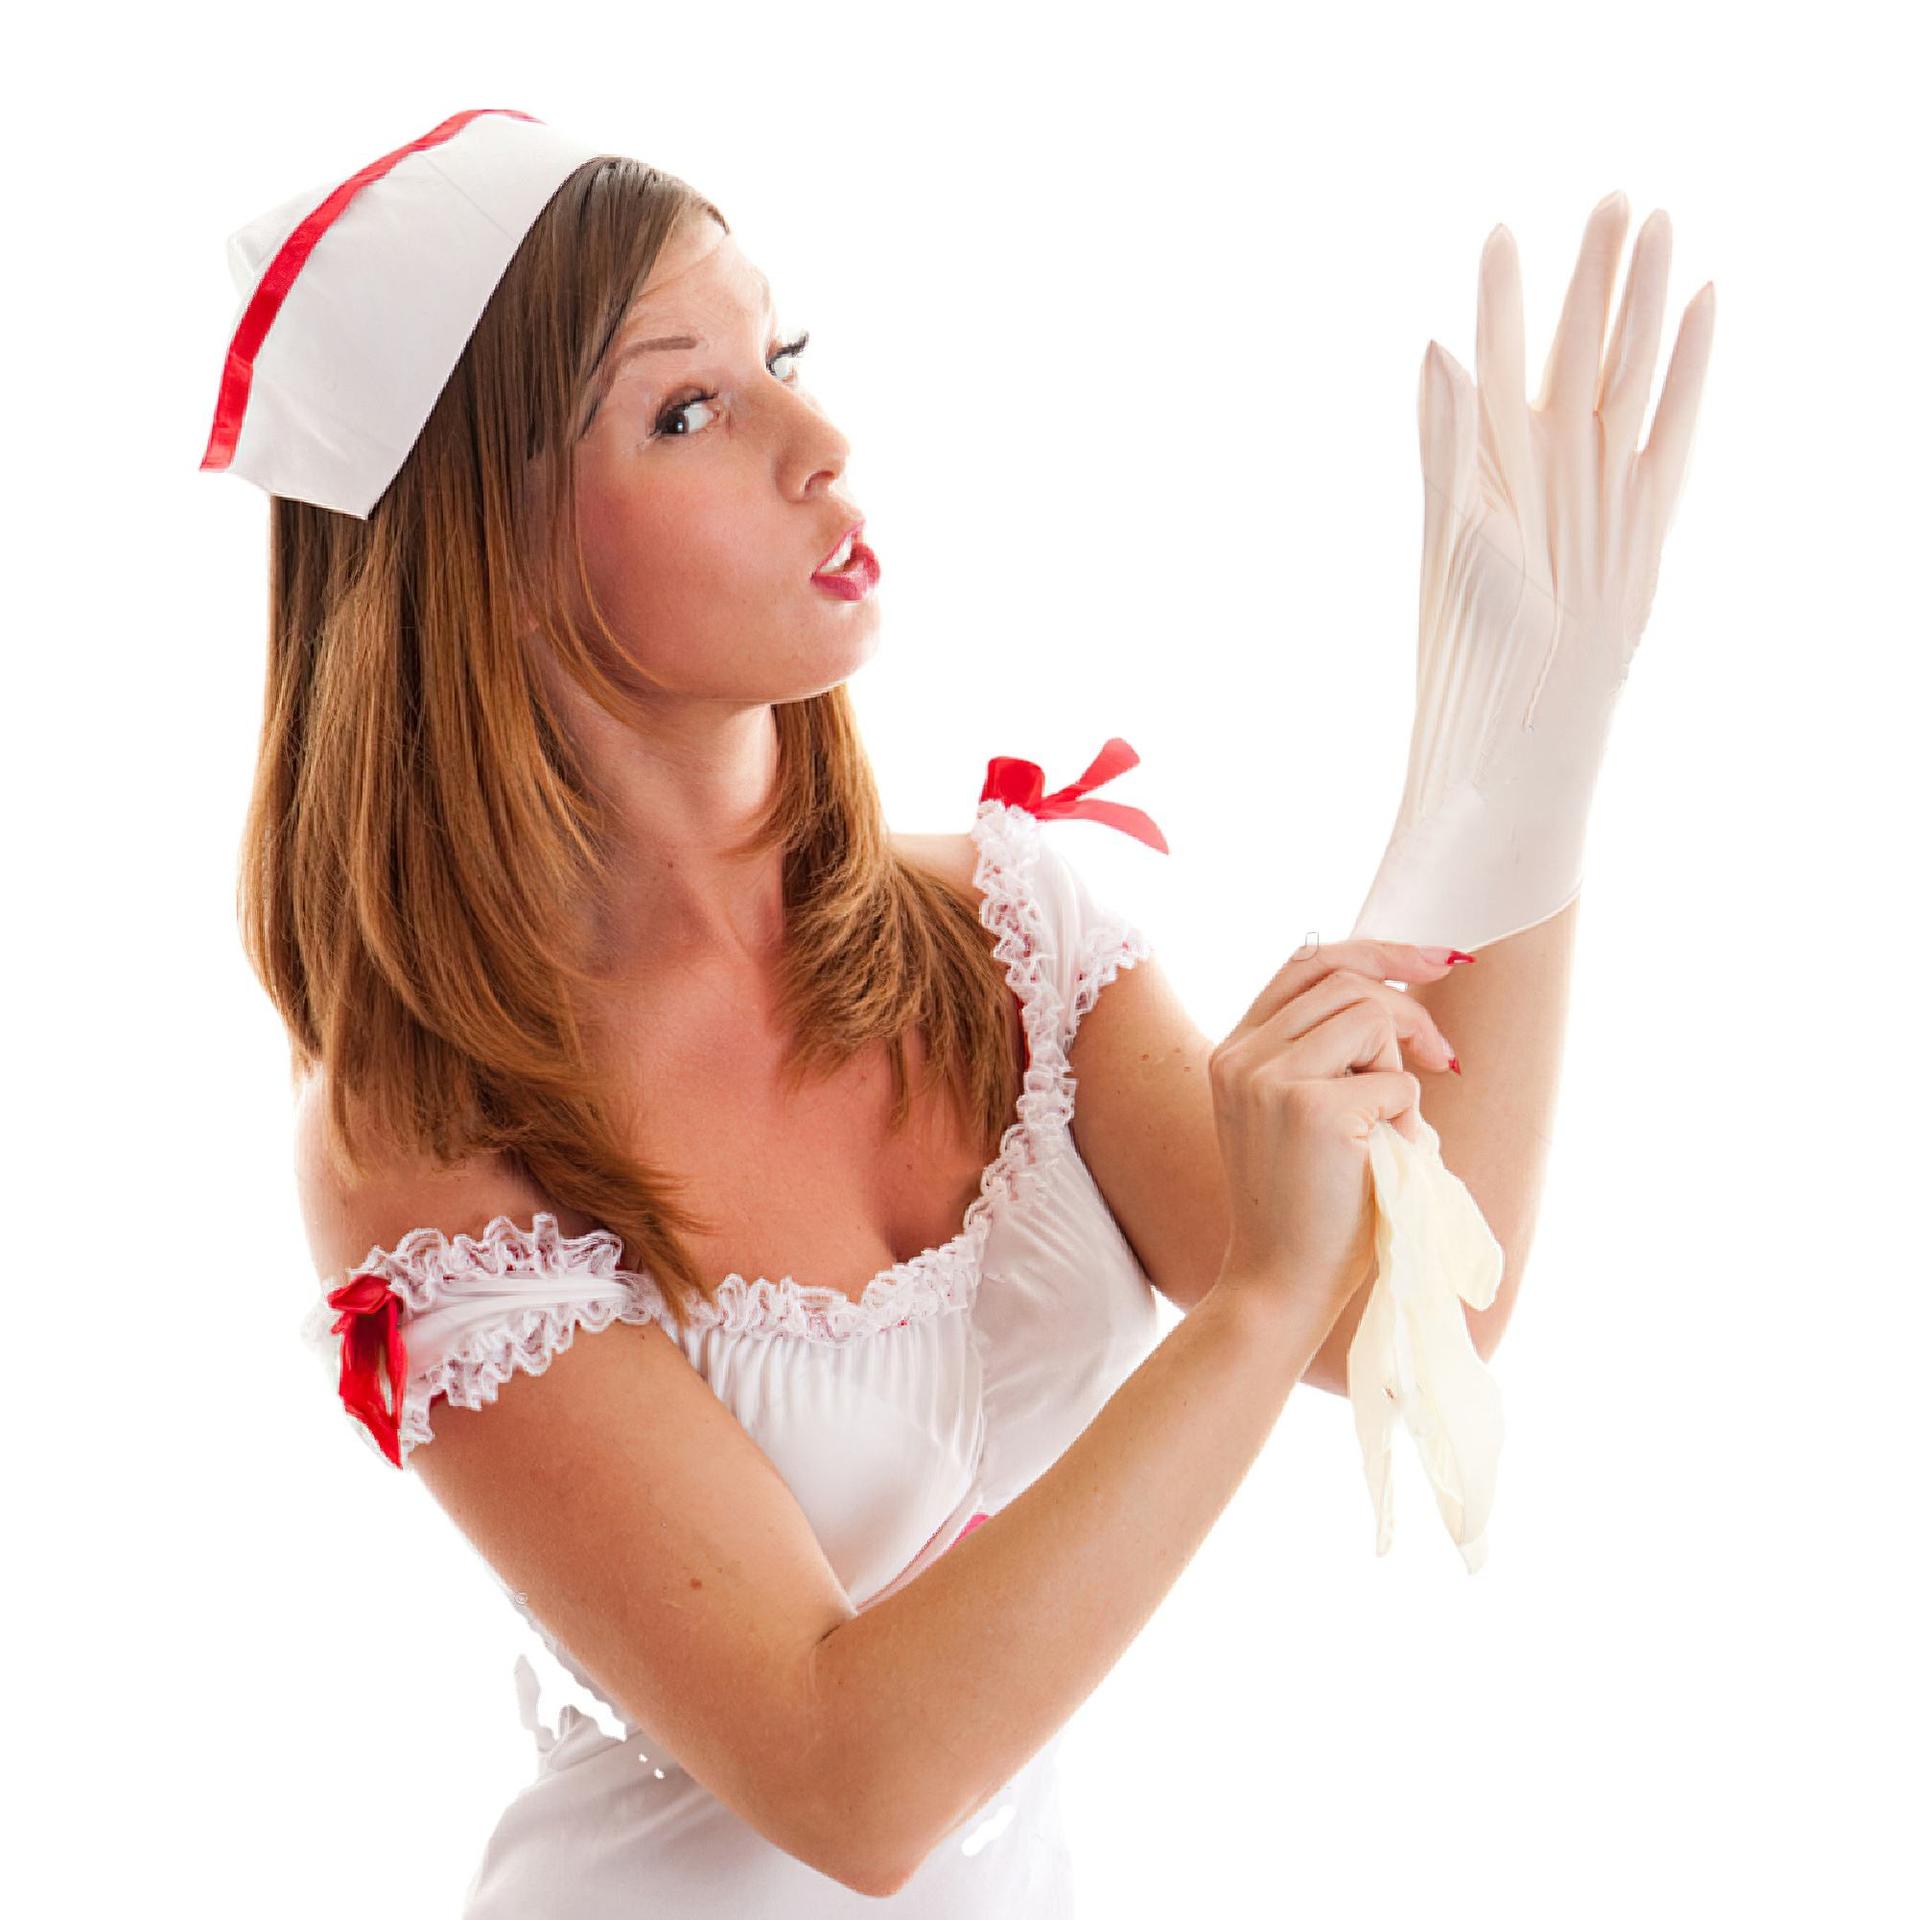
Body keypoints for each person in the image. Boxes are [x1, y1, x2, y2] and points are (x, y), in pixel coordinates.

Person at [205, 110, 1710, 1913]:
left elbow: (1409, 1309)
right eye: (687, 411)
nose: (821, 443)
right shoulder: (427, 1138)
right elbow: (851, 1777)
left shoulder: (1004, 935)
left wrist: (1518, 780)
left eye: (784, 357)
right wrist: (1245, 1306)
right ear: (488, 550)